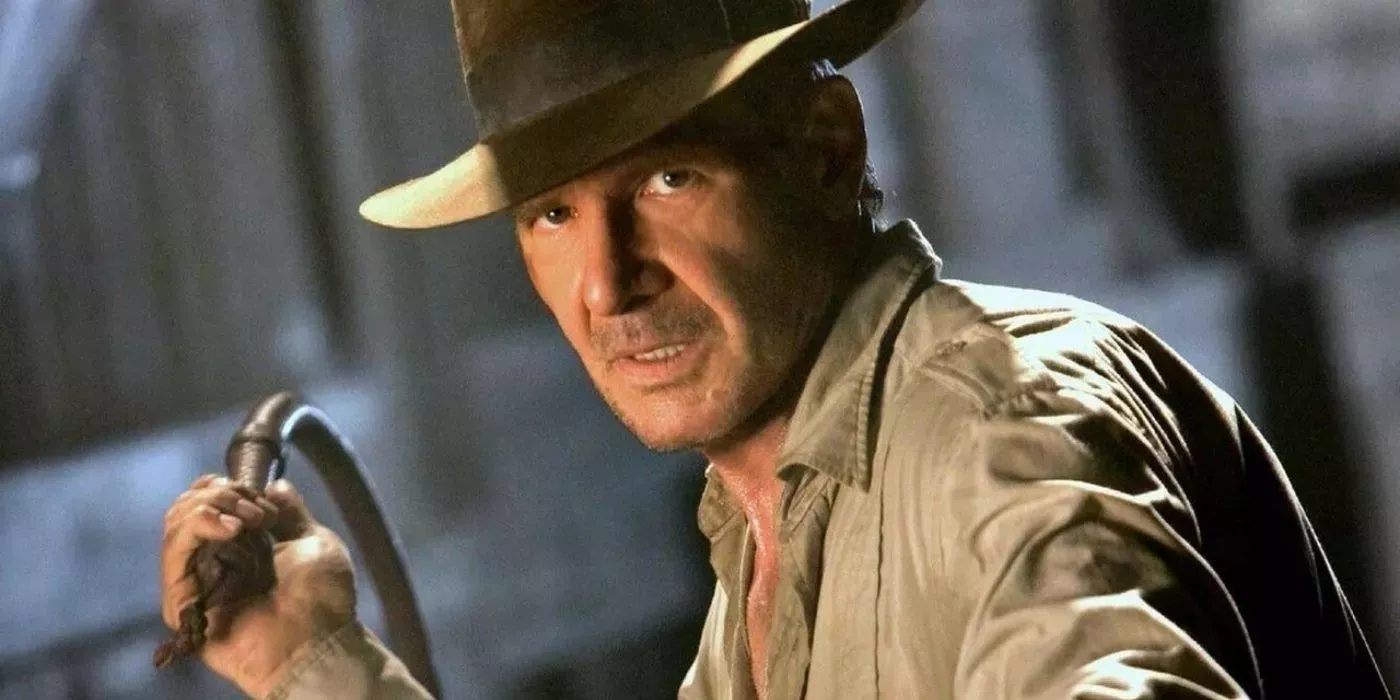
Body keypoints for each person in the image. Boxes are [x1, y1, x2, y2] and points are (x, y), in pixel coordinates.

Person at [158, 0, 1392, 697]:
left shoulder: (997, 418)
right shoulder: (770, 538)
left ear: (823, 148)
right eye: (552, 213)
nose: (609, 282)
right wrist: (307, 660)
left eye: (668, 179)